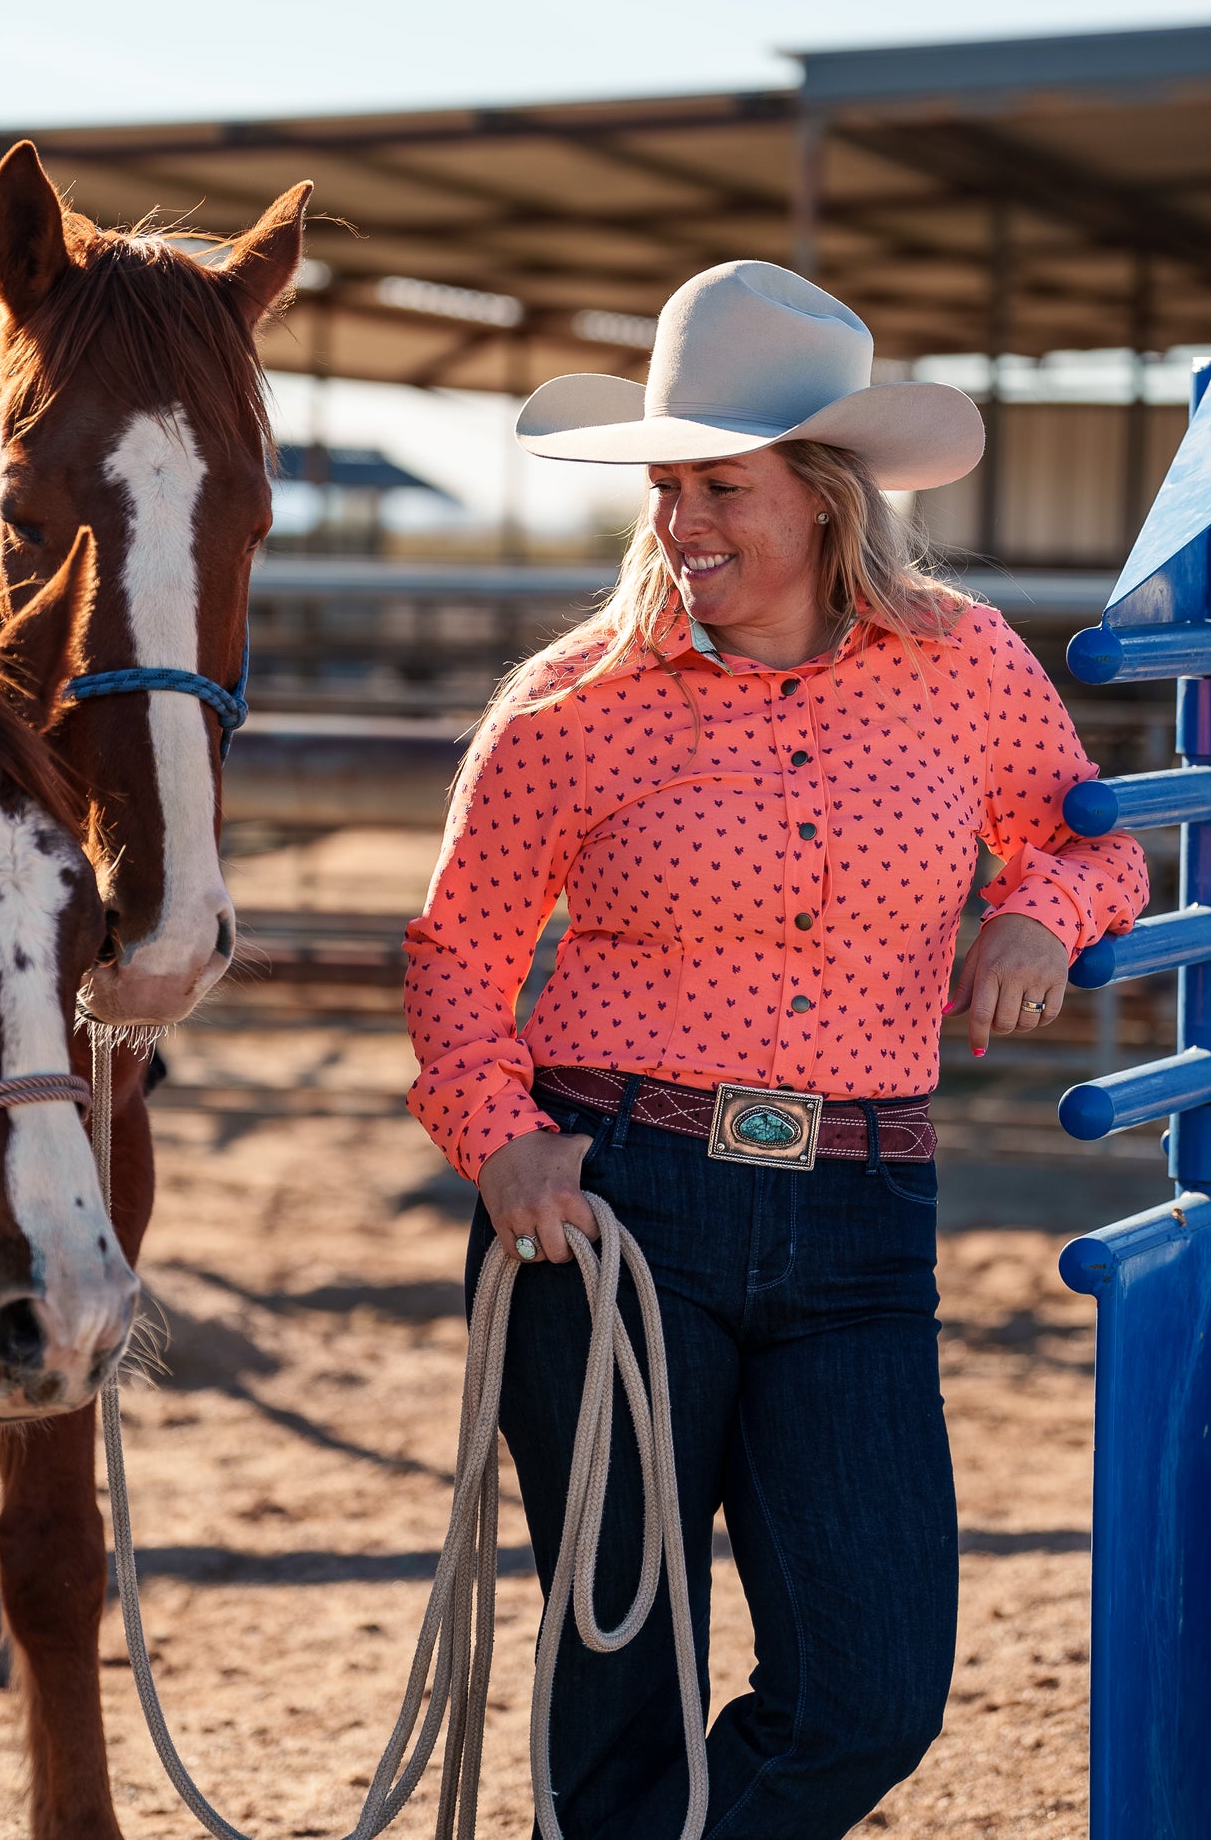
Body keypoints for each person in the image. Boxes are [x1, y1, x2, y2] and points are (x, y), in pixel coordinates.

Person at [403, 261, 1148, 1840]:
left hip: (861, 1219)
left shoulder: (961, 666)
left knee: (869, 1694)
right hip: (615, 1209)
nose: (682, 523)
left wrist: (1039, 921)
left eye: (719, 488)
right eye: (667, 487)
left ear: (821, 497)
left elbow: (1094, 845)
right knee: (617, 1689)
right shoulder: (566, 706)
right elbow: (458, 952)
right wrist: (495, 1135)